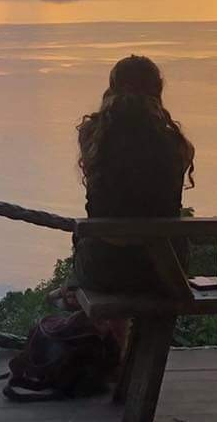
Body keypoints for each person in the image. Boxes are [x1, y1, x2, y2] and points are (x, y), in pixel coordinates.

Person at [70, 55, 196, 349]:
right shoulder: (176, 144)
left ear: (112, 88)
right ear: (158, 89)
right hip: (165, 269)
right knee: (136, 253)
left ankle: (112, 353)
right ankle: (120, 354)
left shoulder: (94, 138)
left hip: (107, 268)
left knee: (94, 250)